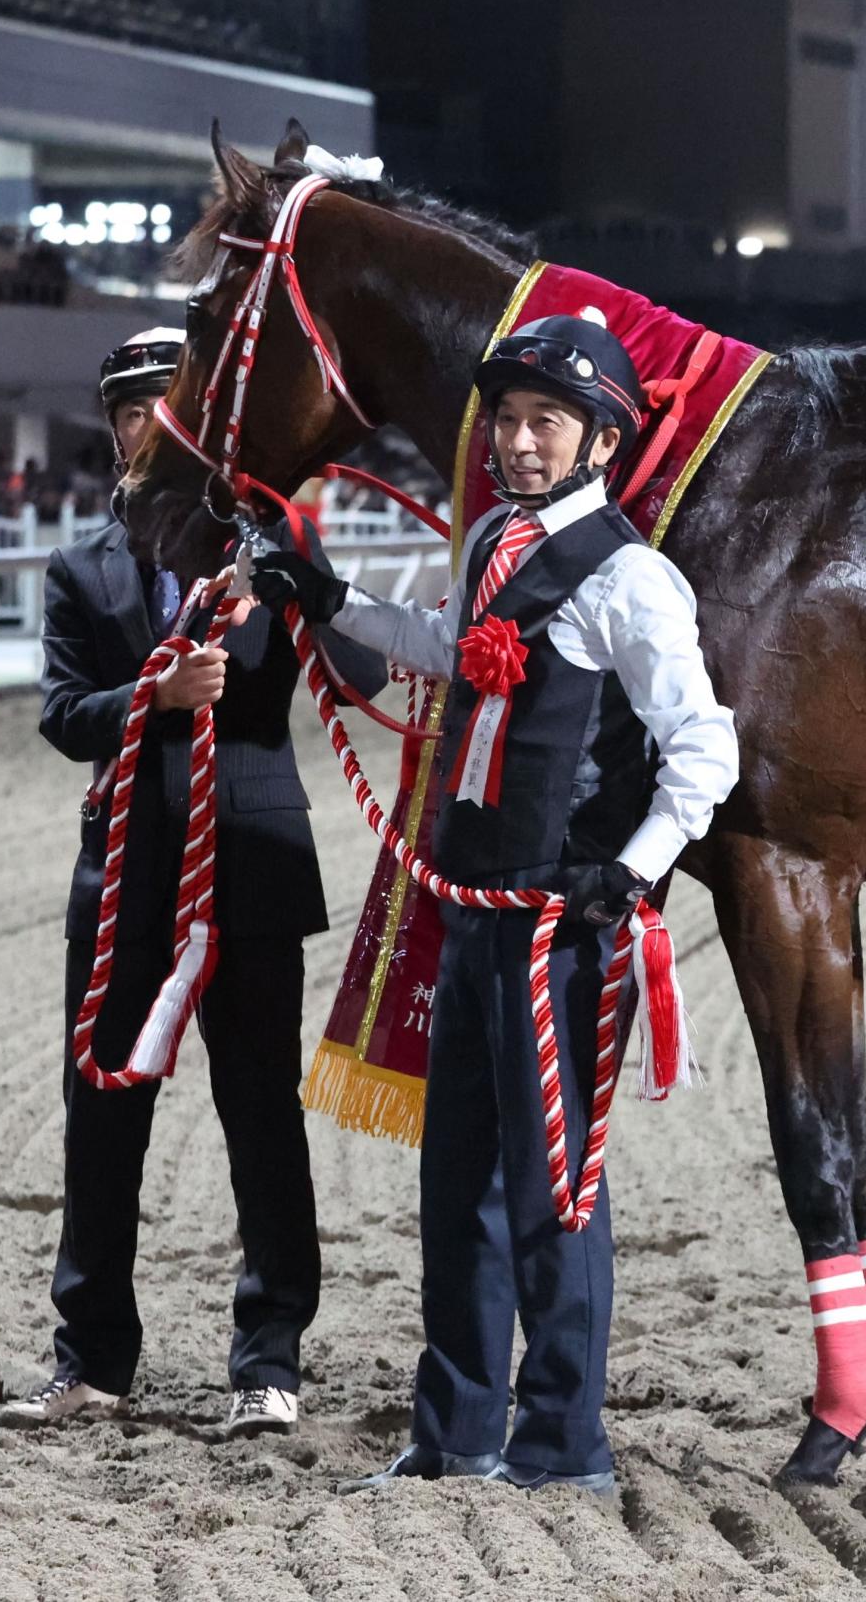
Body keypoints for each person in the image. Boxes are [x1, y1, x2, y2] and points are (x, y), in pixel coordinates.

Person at [251, 312, 739, 1493]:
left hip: (558, 933)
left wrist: (629, 870)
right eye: (509, 422)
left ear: (601, 442)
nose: (519, 444)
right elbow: (439, 642)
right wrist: (326, 594)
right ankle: (456, 1431)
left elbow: (703, 748)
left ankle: (563, 1445)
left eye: (546, 424)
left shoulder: (632, 579)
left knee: (552, 1190)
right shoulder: (490, 547)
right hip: (467, 913)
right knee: (453, 1180)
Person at [0, 327, 387, 1439]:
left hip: (250, 870)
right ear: (116, 429)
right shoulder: (80, 568)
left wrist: (301, 589)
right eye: (133, 409)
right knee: (101, 1114)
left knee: (260, 1114)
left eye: (173, 406)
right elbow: (65, 718)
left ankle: (270, 1361)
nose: (151, 426)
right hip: (124, 872)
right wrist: (155, 701)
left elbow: (360, 674)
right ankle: (92, 1360)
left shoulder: (271, 540)